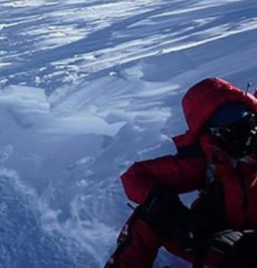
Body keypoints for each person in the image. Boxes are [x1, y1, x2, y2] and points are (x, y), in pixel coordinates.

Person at [105, 77, 257, 268]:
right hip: (212, 242)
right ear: (212, 133)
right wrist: (171, 213)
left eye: (247, 122)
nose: (246, 135)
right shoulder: (209, 158)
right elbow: (135, 176)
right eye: (231, 128)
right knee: (151, 213)